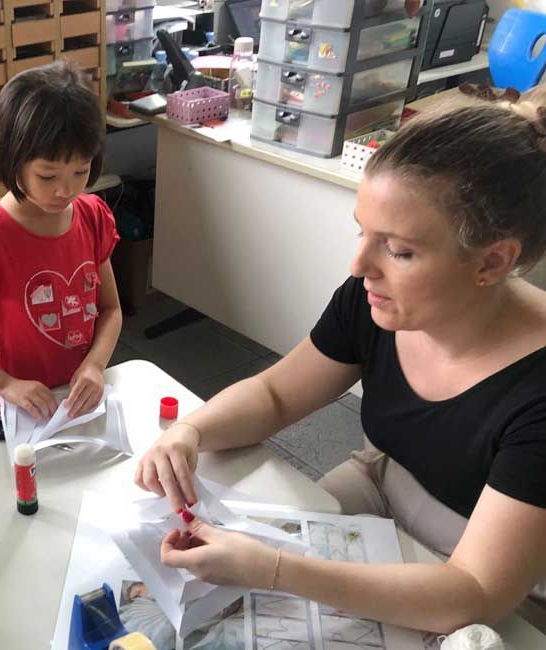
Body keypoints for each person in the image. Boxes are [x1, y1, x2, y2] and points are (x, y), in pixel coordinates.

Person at [136, 94, 546, 633]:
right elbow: (277, 395)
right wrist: (190, 432)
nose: (359, 265)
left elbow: (473, 592)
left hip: (497, 573)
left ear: (493, 261)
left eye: (398, 250)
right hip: (384, 483)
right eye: (362, 232)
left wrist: (275, 569)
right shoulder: (372, 300)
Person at [0, 61, 122, 420]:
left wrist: (95, 364)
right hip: (20, 408)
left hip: (80, 400)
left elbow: (111, 309)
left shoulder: (92, 217)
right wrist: (4, 384)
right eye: (48, 175)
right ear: (8, 160)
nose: (66, 190)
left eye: (81, 171)